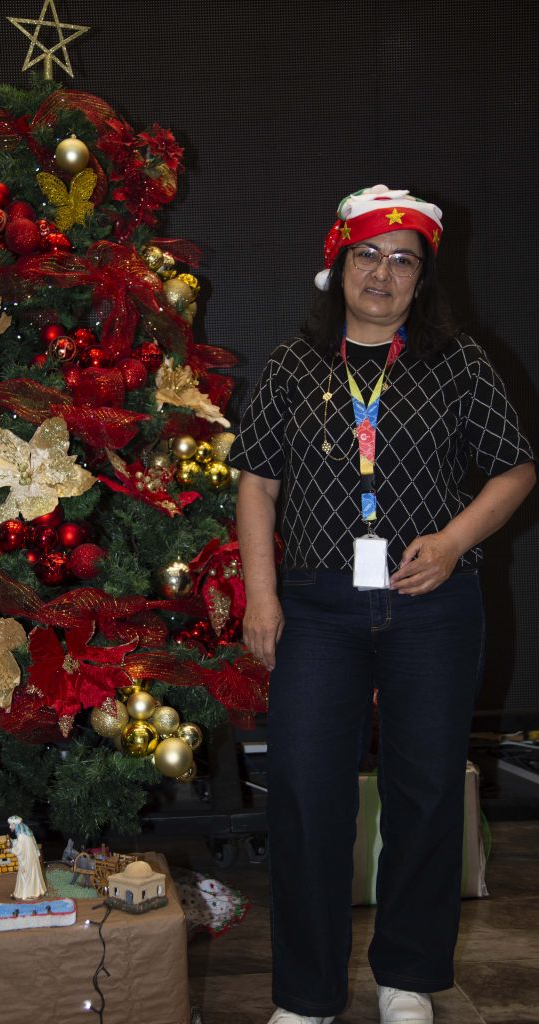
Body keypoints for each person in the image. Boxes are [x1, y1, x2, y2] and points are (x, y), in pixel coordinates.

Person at [230, 185, 535, 1024]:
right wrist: (262, 596)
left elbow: (516, 469)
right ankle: (307, 996)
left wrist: (453, 541)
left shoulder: (459, 362)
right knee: (305, 795)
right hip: (317, 610)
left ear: (422, 279)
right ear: (338, 263)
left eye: (404, 261)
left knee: (427, 794)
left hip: (432, 607)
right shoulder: (294, 364)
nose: (383, 273)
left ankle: (408, 977)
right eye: (367, 254)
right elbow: (257, 484)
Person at [7, 815, 46, 900]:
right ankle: (33, 891)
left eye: (11, 824)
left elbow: (20, 850)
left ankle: (27, 894)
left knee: (26, 875)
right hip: (31, 857)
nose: (10, 826)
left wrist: (11, 850)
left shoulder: (21, 835)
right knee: (31, 874)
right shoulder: (26, 833)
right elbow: (24, 844)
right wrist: (14, 841)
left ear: (15, 824)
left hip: (27, 859)